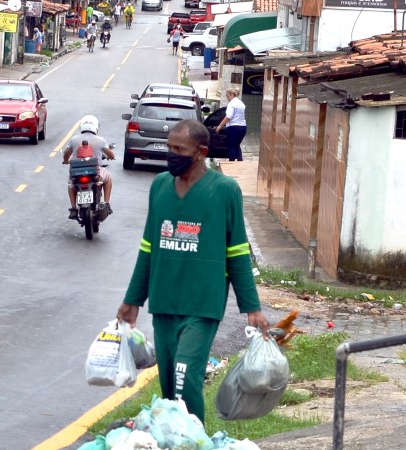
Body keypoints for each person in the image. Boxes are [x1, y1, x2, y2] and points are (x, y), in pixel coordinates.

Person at [116, 119, 269, 422]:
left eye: (178, 149)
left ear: (200, 152)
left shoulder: (225, 190)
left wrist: (251, 307)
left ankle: (195, 442)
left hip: (202, 304)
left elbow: (237, 251)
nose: (170, 154)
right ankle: (175, 447)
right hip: (164, 302)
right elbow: (148, 247)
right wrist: (133, 300)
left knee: (186, 377)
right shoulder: (160, 186)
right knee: (170, 384)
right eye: (168, 147)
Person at [62, 114, 114, 220]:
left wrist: (66, 161)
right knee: (108, 178)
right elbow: (111, 155)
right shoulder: (100, 140)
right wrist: (110, 157)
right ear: (95, 126)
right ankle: (107, 203)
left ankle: (73, 208)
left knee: (71, 184)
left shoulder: (74, 139)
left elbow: (66, 154)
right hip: (96, 174)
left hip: (77, 174)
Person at [215, 86, 248, 162]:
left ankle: (231, 163)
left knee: (231, 146)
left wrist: (220, 125)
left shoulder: (231, 104)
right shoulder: (241, 103)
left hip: (234, 128)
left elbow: (229, 116)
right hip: (243, 127)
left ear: (231, 95)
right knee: (237, 146)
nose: (227, 98)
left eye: (227, 96)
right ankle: (240, 162)